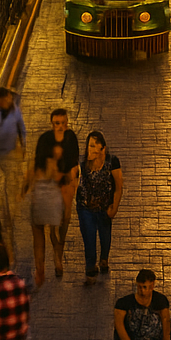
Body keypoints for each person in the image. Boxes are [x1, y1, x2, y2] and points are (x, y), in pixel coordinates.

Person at [33, 108, 80, 278]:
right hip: (50, 183)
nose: (60, 127)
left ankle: (58, 251)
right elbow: (39, 163)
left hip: (66, 182)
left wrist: (71, 177)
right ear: (52, 124)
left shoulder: (71, 138)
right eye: (57, 123)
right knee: (53, 223)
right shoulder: (45, 140)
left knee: (65, 220)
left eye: (63, 123)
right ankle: (56, 256)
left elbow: (74, 161)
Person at [75, 130, 123, 281]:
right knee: (88, 237)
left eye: (96, 146)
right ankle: (90, 266)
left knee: (105, 235)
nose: (92, 149)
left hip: (104, 207)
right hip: (85, 207)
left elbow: (119, 185)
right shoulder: (82, 164)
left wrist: (114, 207)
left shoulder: (112, 162)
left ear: (103, 148)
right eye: (90, 146)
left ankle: (104, 259)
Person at [27, 142, 63, 288]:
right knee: (54, 234)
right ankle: (57, 261)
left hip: (38, 207)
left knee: (38, 239)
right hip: (53, 206)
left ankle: (40, 270)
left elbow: (27, 182)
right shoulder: (56, 165)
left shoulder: (34, 165)